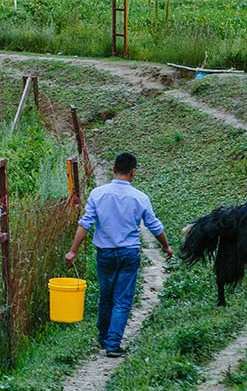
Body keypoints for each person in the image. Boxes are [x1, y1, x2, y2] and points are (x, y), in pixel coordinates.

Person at [64, 152, 173, 358]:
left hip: (104, 254)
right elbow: (154, 226)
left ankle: (104, 338)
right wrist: (166, 246)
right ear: (133, 172)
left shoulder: (98, 194)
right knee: (122, 299)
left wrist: (73, 251)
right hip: (129, 253)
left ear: (114, 170)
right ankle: (113, 344)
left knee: (106, 297)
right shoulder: (140, 198)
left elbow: (85, 224)